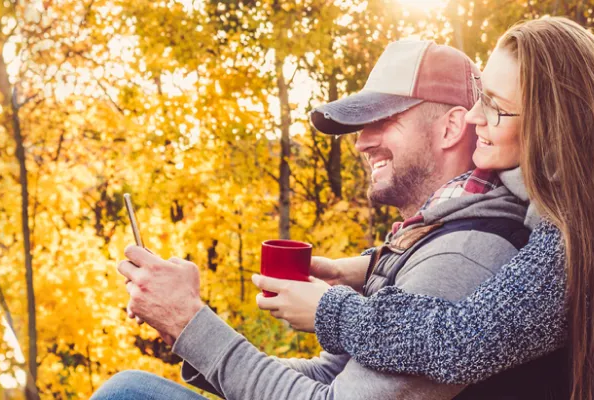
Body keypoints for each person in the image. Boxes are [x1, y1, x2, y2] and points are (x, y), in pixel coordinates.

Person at [253, 17, 594, 400]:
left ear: (556, 130)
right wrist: (365, 266)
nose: (478, 117)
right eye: (483, 95)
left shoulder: (578, 240)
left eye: (498, 108)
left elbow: (461, 341)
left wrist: (327, 310)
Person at [94, 39, 560, 400]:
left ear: (452, 127)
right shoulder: (427, 234)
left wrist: (190, 322)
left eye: (383, 120)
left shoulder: (465, 250)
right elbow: (330, 374)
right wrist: (196, 338)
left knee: (127, 393)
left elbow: (442, 346)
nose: (361, 142)